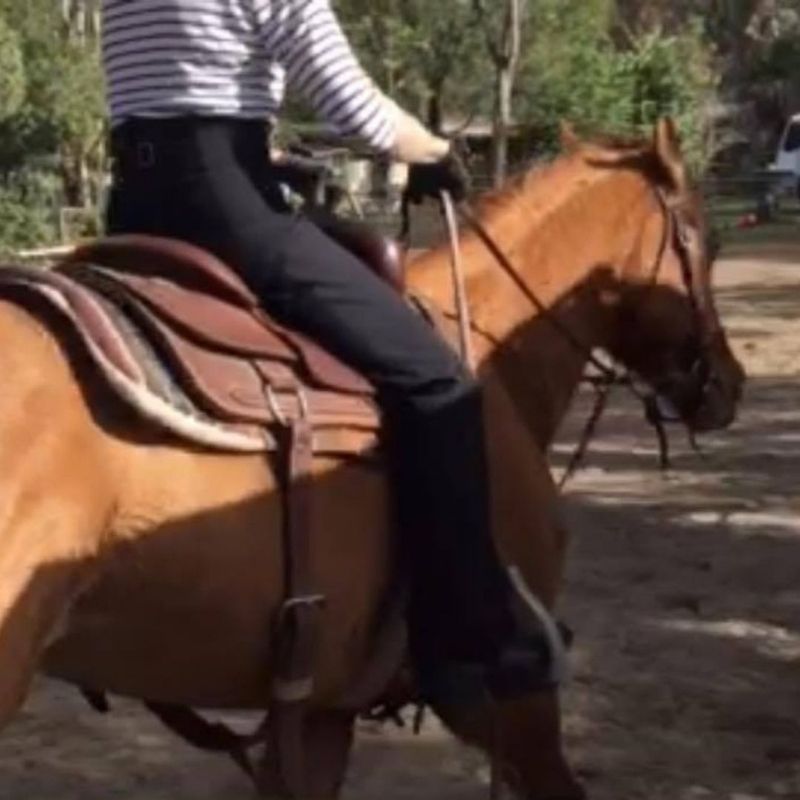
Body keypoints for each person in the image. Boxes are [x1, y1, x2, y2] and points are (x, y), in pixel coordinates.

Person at [101, 0, 552, 708]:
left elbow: (173, 95)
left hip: (130, 209)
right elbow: (356, 112)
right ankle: (464, 638)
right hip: (226, 209)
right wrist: (431, 152)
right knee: (439, 385)